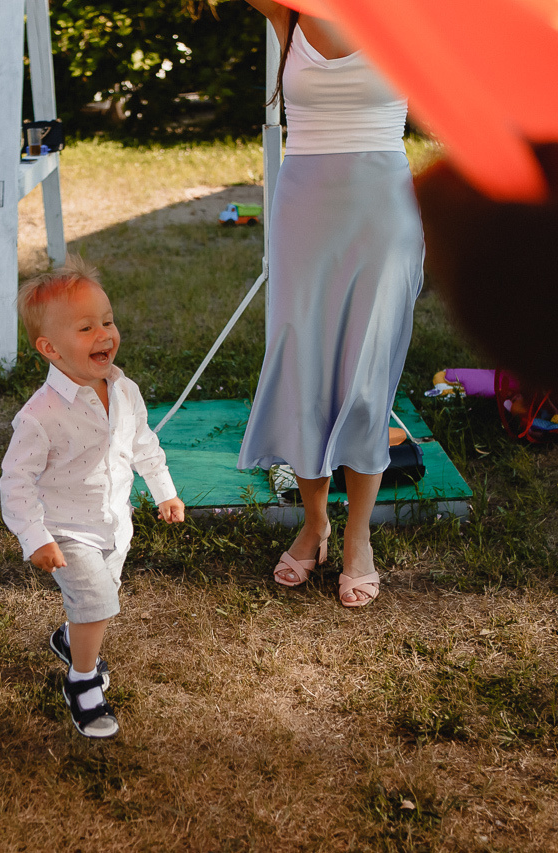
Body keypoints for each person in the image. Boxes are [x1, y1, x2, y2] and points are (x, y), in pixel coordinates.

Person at [237, 1, 425, 606]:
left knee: (367, 375)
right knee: (303, 367)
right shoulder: (285, 12)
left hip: (381, 207)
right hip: (304, 208)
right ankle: (315, 523)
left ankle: (357, 536)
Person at [0, 257, 186, 739]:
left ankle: (67, 637)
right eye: (86, 327)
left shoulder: (125, 390)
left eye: (107, 321)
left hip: (114, 523)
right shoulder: (40, 416)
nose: (104, 333)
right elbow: (15, 481)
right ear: (50, 348)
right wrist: (35, 536)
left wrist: (164, 490)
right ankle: (82, 682)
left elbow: (142, 441)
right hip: (67, 529)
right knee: (98, 603)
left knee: (101, 596)